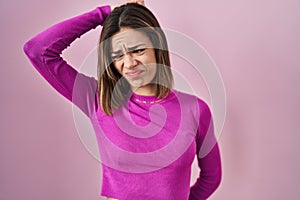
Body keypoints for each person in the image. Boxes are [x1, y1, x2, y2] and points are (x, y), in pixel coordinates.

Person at [23, 1, 222, 199]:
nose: (129, 63)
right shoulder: (98, 99)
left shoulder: (195, 109)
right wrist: (105, 13)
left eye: (138, 50)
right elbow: (37, 50)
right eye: (118, 55)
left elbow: (212, 177)